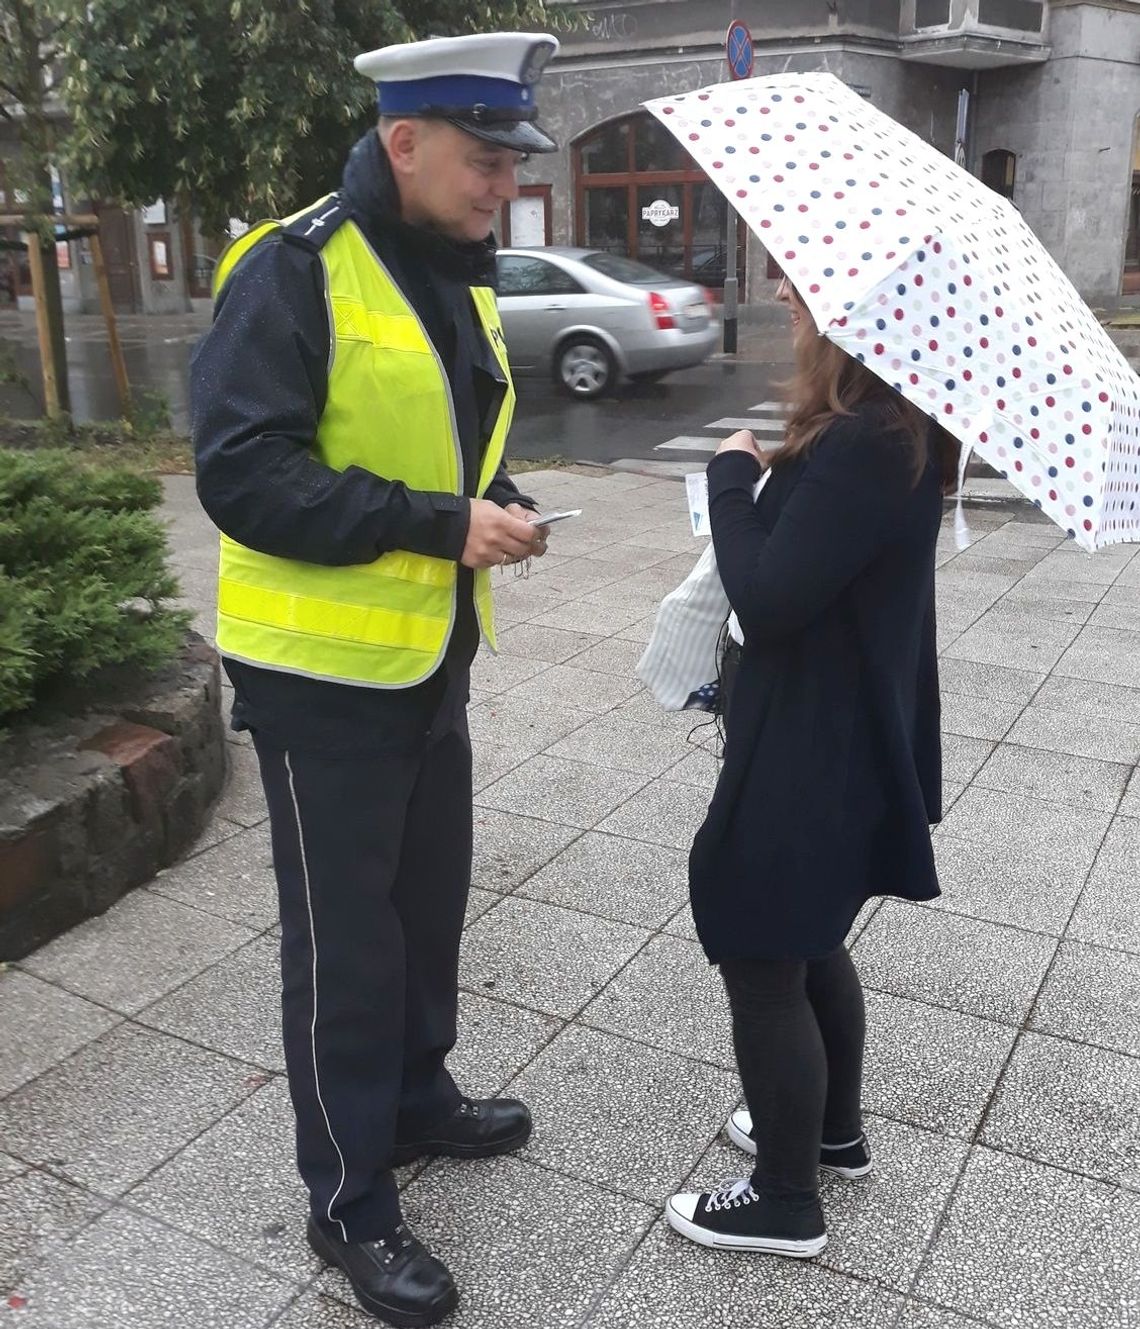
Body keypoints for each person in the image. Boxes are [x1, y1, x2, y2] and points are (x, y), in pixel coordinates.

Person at [190, 30, 560, 1327]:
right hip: (320, 685)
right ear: (402, 142)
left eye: (512, 159)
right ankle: (348, 1200)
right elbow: (242, 473)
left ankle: (415, 1100)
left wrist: (490, 502)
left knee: (424, 909)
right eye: (482, 157)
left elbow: (444, 441)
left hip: (427, 664)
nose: (502, 182)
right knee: (343, 947)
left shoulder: (452, 268)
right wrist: (438, 522)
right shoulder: (291, 269)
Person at [664, 273, 953, 1257]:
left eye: (804, 291)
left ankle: (786, 1196)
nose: (787, 299)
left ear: (857, 323)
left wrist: (732, 480)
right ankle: (830, 1130)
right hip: (835, 729)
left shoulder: (866, 445)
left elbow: (772, 597)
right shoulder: (891, 429)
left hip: (813, 740)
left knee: (757, 938)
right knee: (809, 931)